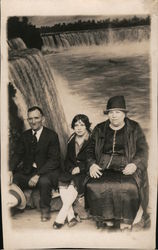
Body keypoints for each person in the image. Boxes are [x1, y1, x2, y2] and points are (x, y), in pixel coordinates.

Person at [86, 95, 149, 231]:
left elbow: (143, 150)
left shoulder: (134, 128)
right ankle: (106, 218)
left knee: (129, 187)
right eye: (111, 112)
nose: (114, 116)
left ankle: (125, 220)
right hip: (103, 166)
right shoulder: (99, 128)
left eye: (117, 112)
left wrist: (134, 164)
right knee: (94, 185)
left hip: (127, 166)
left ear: (124, 114)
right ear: (107, 114)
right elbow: (89, 149)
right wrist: (91, 164)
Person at [9, 106, 61, 222]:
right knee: (14, 178)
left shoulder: (52, 135)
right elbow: (17, 154)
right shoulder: (25, 136)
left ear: (43, 119)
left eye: (36, 118)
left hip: (47, 171)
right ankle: (13, 206)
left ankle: (45, 211)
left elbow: (54, 160)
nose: (33, 121)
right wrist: (10, 170)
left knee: (44, 181)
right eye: (30, 119)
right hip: (28, 171)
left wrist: (38, 175)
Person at [53, 114, 91, 229]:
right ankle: (70, 216)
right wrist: (70, 168)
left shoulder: (92, 139)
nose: (79, 128)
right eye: (76, 125)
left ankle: (60, 218)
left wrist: (81, 168)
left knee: (74, 183)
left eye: (82, 125)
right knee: (62, 181)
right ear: (73, 127)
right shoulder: (71, 139)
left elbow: (96, 159)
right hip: (72, 170)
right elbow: (67, 159)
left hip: (86, 171)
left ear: (87, 126)